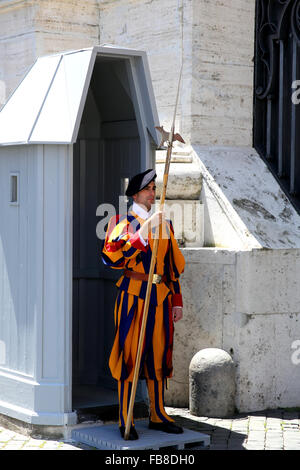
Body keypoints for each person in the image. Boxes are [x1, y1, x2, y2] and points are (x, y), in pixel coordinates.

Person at [101, 169, 185, 440]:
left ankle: (158, 414)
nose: (153, 192)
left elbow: (172, 266)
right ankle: (126, 419)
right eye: (148, 189)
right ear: (135, 194)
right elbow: (114, 257)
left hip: (160, 296)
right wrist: (145, 229)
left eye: (154, 188)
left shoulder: (165, 224)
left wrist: (177, 300)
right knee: (130, 356)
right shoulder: (121, 221)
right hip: (133, 297)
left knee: (158, 355)